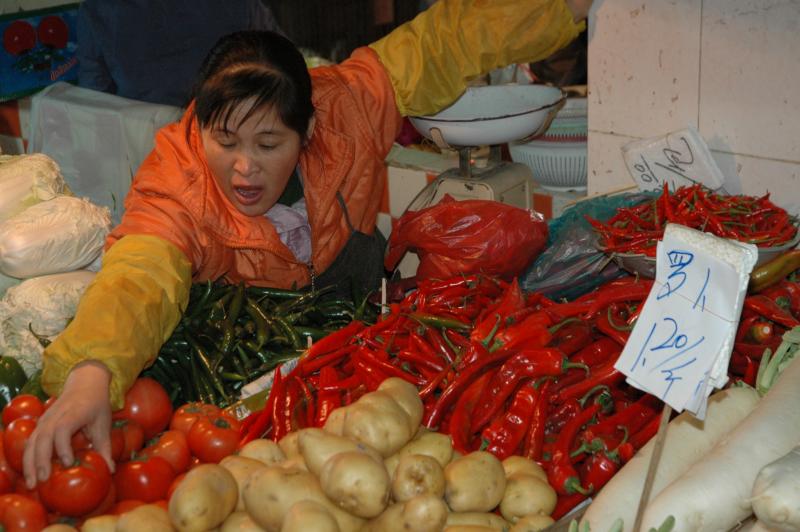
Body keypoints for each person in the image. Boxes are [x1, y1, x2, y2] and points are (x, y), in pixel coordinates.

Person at [23, 0, 593, 488]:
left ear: (308, 132)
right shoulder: (180, 176)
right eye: (225, 140)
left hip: (370, 352)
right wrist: (92, 371)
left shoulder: (347, 107)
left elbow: (443, 42)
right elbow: (140, 272)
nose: (244, 168)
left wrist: (556, 8)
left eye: (269, 142)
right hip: (267, 385)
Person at [76, 0, 284, 106]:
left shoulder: (98, 11)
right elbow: (284, 66)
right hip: (236, 141)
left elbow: (94, 108)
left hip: (144, 157)